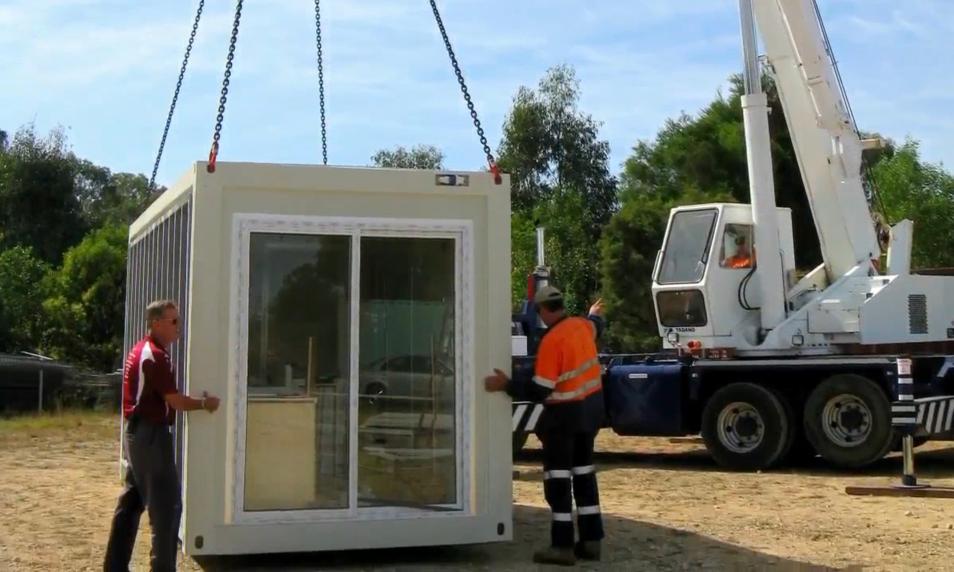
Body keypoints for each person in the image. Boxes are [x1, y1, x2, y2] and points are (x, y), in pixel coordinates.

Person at [485, 286, 605, 566]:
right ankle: (591, 541)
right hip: (591, 413)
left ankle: (562, 546)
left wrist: (507, 385)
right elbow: (597, 325)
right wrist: (594, 314)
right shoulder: (582, 326)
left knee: (558, 481)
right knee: (585, 475)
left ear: (541, 310)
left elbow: (541, 389)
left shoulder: (552, 341)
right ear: (561, 304)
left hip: (564, 418)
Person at [104, 300, 221, 572]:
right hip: (150, 436)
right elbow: (176, 402)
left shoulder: (144, 350)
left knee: (132, 501)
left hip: (137, 434)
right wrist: (205, 404)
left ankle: (114, 566)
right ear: (156, 323)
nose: (179, 327)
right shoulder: (155, 356)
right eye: (174, 321)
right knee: (167, 509)